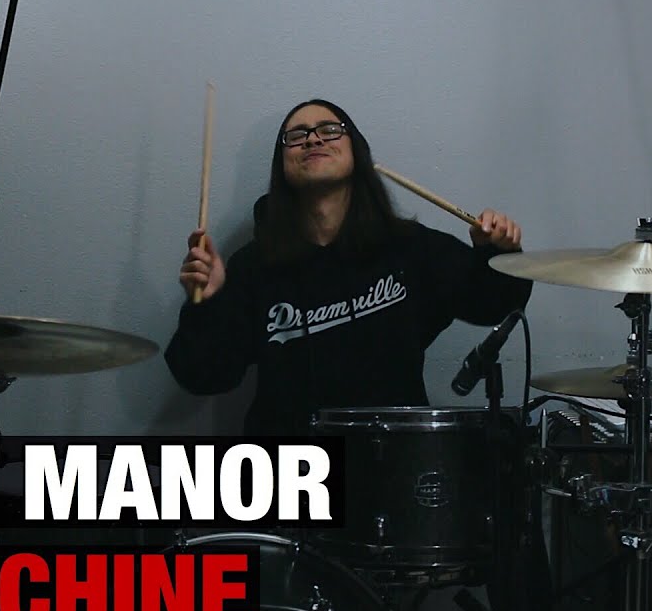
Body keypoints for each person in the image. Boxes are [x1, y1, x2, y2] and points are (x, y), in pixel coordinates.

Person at [164, 98, 532, 437]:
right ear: (282, 166)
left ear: (357, 152)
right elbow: (204, 376)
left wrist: (499, 252)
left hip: (395, 461)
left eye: (329, 130)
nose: (313, 139)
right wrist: (206, 303)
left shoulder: (408, 248)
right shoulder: (254, 266)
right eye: (297, 136)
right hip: (293, 472)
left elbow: (492, 304)